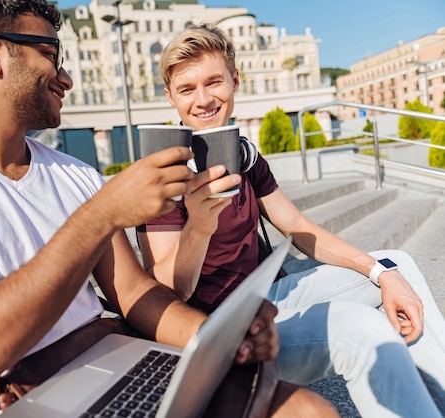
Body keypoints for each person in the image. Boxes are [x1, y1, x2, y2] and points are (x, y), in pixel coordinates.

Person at [0, 2, 339, 417]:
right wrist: (102, 213)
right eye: (51, 52)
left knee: (311, 412)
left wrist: (218, 338)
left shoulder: (75, 176)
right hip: (13, 405)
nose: (66, 76)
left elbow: (137, 295)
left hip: (116, 367)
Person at [136, 23, 445, 417]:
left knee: (397, 266)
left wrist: (381, 274)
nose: (203, 99)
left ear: (234, 81)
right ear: (170, 98)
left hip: (266, 299)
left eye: (214, 82)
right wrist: (198, 226)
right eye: (187, 89)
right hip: (218, 331)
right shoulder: (163, 172)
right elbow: (168, 293)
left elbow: (299, 227)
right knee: (362, 329)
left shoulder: (244, 156)